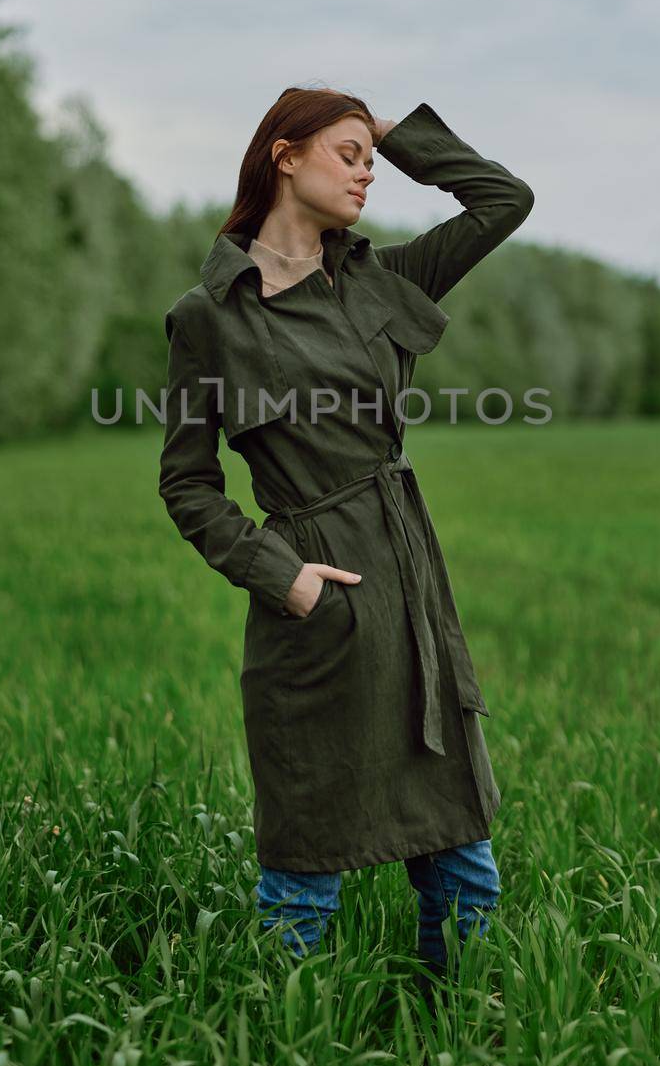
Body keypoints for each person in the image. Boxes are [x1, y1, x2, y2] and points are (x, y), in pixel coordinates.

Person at [158, 88, 534, 987]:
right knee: (303, 873)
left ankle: (463, 1046)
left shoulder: (385, 283)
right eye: (347, 153)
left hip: (409, 584)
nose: (365, 172)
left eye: (371, 157)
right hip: (313, 595)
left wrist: (391, 131)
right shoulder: (209, 317)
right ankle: (287, 1064)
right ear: (284, 157)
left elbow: (503, 199)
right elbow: (188, 482)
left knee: (462, 860)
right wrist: (277, 574)